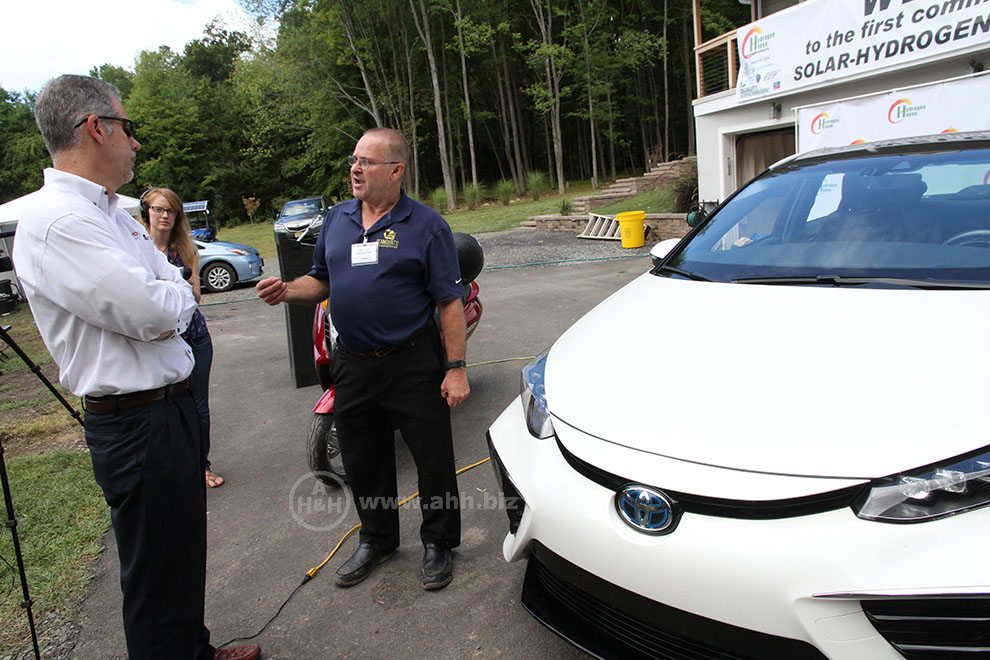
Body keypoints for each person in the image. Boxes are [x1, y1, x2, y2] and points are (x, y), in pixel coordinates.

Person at [11, 74, 259, 660]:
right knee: (153, 572)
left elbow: (170, 279)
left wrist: (165, 287)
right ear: (96, 128)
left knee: (179, 553)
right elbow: (155, 309)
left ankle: (192, 649)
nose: (135, 143)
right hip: (134, 421)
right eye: (128, 127)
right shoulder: (59, 222)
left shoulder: (112, 213)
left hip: (165, 410)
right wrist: (167, 291)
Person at [257, 127, 469, 591]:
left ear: (396, 170)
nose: (356, 168)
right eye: (354, 159)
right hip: (351, 360)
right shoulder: (337, 219)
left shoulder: (427, 225)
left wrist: (455, 369)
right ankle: (377, 539)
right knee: (362, 457)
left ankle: (439, 543)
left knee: (432, 457)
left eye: (367, 162)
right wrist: (288, 290)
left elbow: (449, 302)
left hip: (412, 361)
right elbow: (320, 279)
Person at [139, 187, 224, 489]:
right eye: (159, 209)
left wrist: (172, 286)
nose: (165, 216)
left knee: (197, 406)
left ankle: (202, 466)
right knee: (162, 408)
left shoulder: (187, 252)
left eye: (171, 211)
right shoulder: (136, 249)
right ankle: (171, 468)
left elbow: (196, 296)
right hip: (157, 343)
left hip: (194, 338)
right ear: (145, 212)